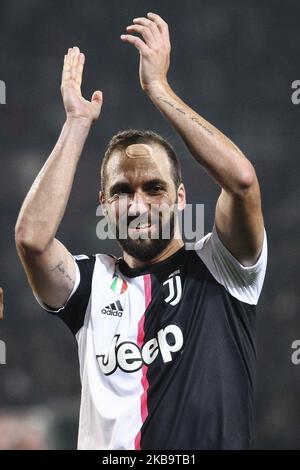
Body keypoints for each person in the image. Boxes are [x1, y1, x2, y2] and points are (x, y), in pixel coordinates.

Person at [15, 12, 267, 450]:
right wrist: (76, 123)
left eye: (154, 188)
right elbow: (32, 240)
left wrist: (159, 89)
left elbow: (242, 181)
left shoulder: (223, 269)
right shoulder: (91, 284)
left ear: (182, 197)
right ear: (104, 206)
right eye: (121, 191)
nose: (137, 205)